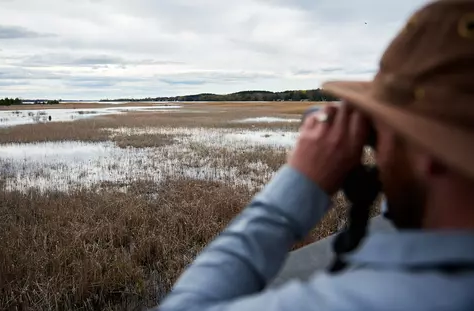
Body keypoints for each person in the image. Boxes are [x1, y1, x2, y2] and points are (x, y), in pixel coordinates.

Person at [158, 1, 474, 310]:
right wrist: (405, 158)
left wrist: (298, 186)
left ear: (431, 151)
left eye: (386, 128)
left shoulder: (377, 298)